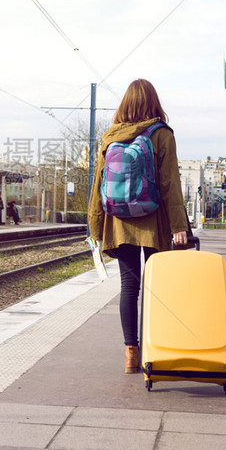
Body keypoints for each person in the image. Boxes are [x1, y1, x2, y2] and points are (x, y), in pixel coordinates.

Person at [87, 79, 188, 374]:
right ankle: (155, 350)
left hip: (119, 224)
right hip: (153, 222)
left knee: (129, 287)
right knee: (157, 289)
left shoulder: (109, 137)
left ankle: (131, 354)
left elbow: (97, 186)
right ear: (153, 102)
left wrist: (95, 226)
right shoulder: (161, 135)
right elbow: (170, 183)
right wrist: (179, 225)